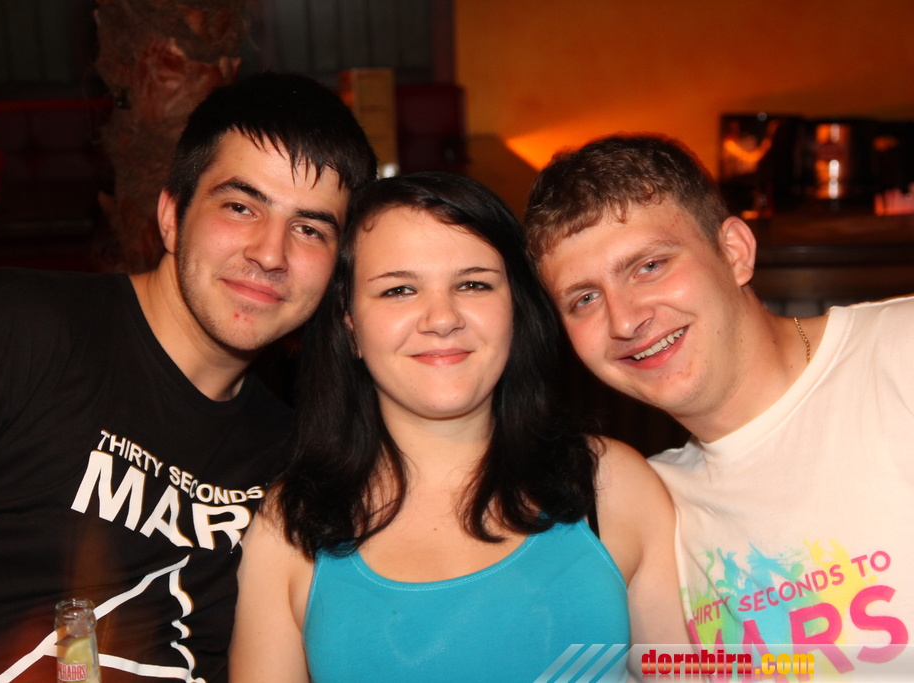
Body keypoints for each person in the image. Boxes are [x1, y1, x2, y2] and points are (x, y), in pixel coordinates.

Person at [0, 72, 376, 683]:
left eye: (310, 229)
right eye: (241, 207)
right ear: (171, 217)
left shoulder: (295, 459)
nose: (271, 253)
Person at [228, 171, 689, 683]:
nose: (442, 318)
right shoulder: (289, 528)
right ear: (349, 325)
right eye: (399, 290)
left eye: (473, 284)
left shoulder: (612, 484)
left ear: (515, 307)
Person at [525, 134, 914, 669]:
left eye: (649, 266)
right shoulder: (650, 507)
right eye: (584, 298)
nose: (625, 320)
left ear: (734, 252)